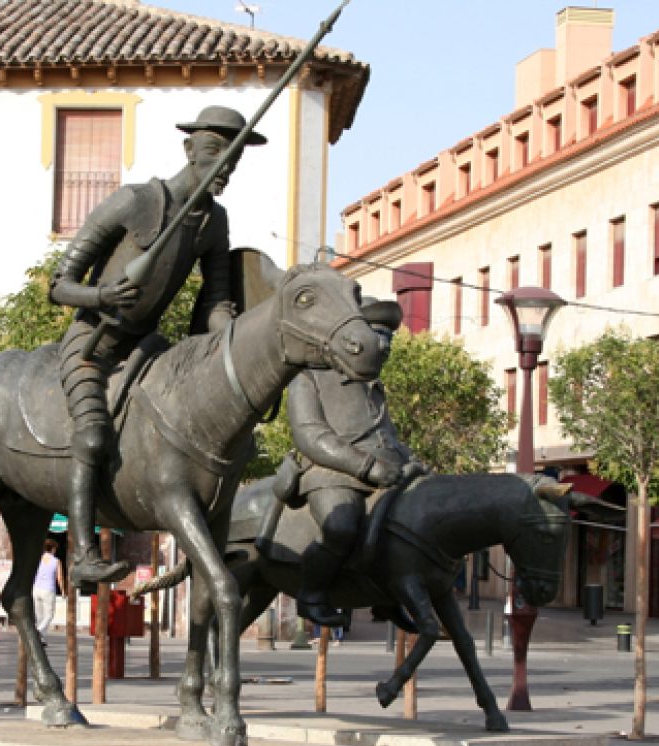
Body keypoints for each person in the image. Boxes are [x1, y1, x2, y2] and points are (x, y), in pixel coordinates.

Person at [49, 105, 265, 586]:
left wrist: (231, 337)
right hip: (93, 342)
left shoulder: (214, 223)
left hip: (148, 349)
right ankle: (83, 553)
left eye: (232, 158)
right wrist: (100, 296)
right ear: (190, 151)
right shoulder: (132, 202)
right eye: (214, 153)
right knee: (90, 434)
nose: (224, 167)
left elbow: (213, 301)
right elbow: (59, 285)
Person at [286, 298, 424, 627]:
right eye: (378, 336)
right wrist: (366, 466)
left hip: (382, 473)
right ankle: (312, 595)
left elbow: (385, 436)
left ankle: (387, 596)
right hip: (329, 473)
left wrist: (411, 460)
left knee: (414, 526)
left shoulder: (374, 386)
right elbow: (311, 436)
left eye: (389, 339)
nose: (384, 346)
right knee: (341, 525)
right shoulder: (309, 377)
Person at [32, 539, 66, 644]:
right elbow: (59, 578)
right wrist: (63, 591)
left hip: (36, 589)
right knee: (49, 615)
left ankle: (41, 639)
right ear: (53, 549)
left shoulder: (38, 559)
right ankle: (38, 632)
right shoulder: (56, 561)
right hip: (48, 590)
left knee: (40, 616)